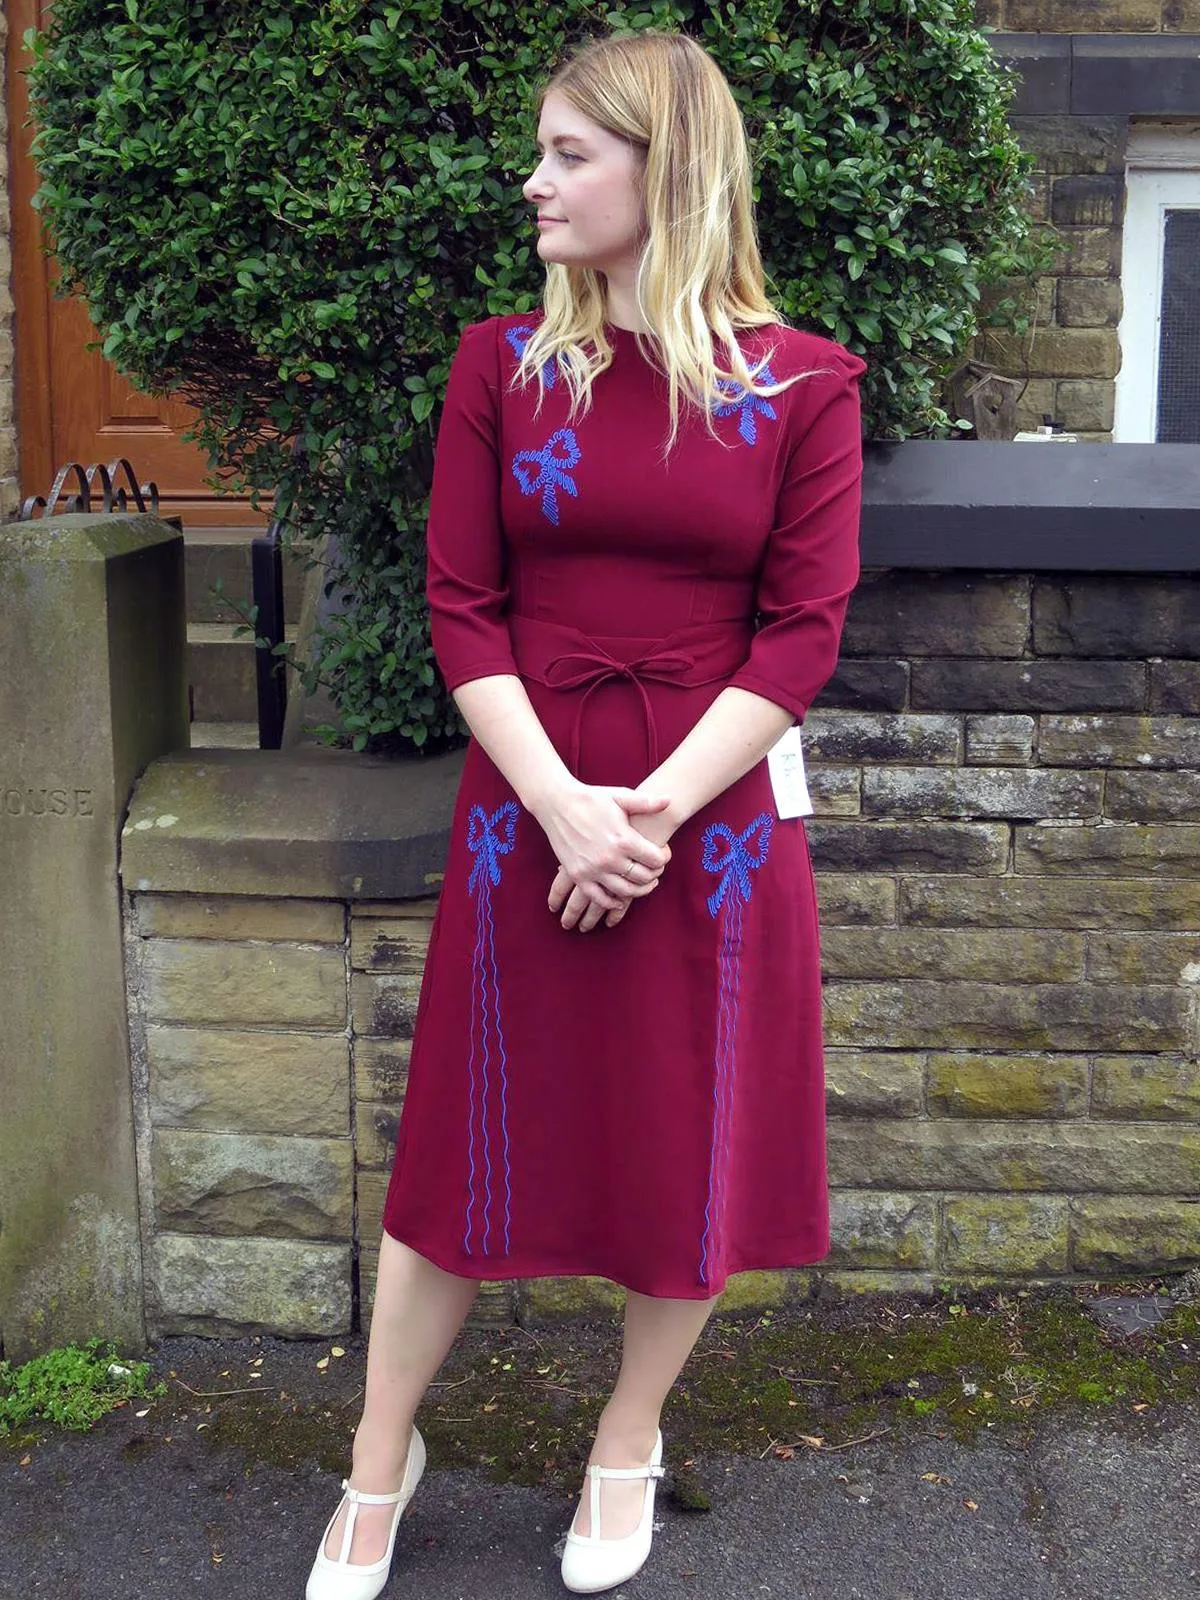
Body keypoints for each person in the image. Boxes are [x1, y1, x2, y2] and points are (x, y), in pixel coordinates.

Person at [306, 24, 866, 1600]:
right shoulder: (503, 365)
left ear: (663, 169)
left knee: (686, 1142)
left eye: (570, 154)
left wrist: (655, 815)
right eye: (542, 151)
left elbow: (802, 633)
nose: (535, 180)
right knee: (459, 1149)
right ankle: (377, 1460)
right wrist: (564, 811)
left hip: (717, 828)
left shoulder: (805, 385)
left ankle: (628, 1439)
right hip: (524, 813)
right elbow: (463, 609)